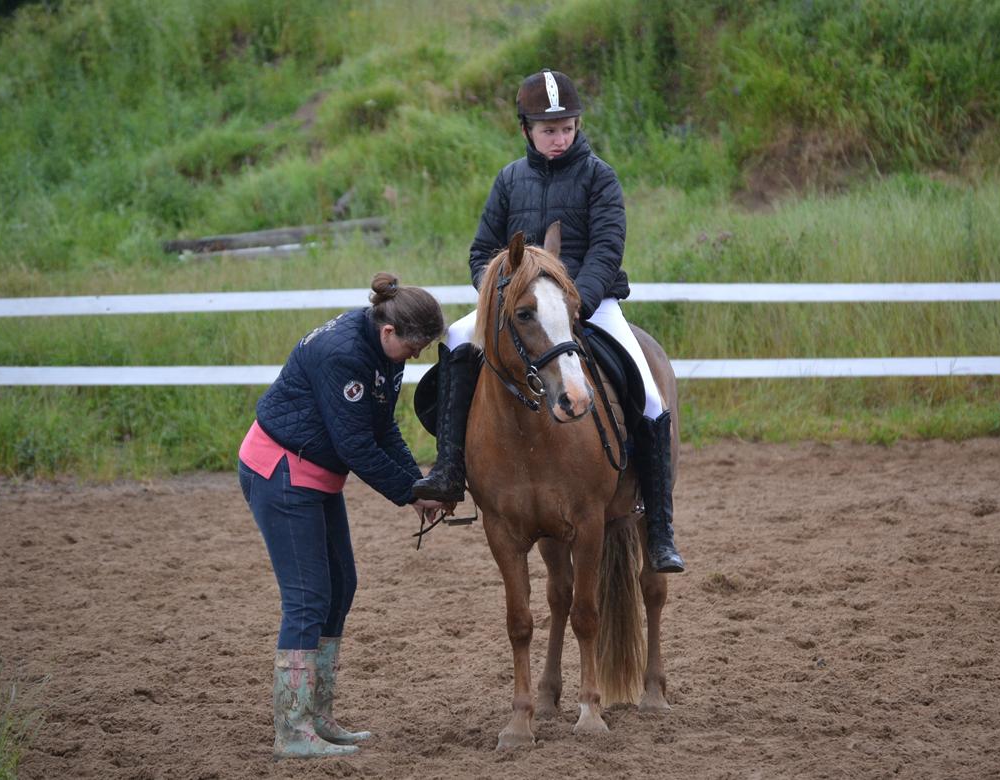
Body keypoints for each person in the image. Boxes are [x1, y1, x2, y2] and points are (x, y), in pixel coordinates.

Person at [412, 68, 685, 574]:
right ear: (526, 131)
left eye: (566, 128)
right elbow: (480, 252)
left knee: (648, 393)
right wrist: (499, 294)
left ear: (577, 127)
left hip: (588, 301)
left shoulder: (599, 177)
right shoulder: (509, 179)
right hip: (519, 307)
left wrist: (574, 299)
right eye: (547, 130)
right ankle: (449, 466)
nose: (558, 138)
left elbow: (607, 248)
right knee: (453, 338)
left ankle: (659, 525)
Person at [238, 273, 451, 760]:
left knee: (342, 586)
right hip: (282, 472)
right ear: (389, 333)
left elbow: (383, 427)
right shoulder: (345, 356)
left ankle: (317, 716)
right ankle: (292, 727)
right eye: (414, 349)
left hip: (313, 474)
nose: (416, 357)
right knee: (309, 598)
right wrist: (407, 494)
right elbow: (354, 444)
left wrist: (418, 484)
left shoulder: (381, 351)